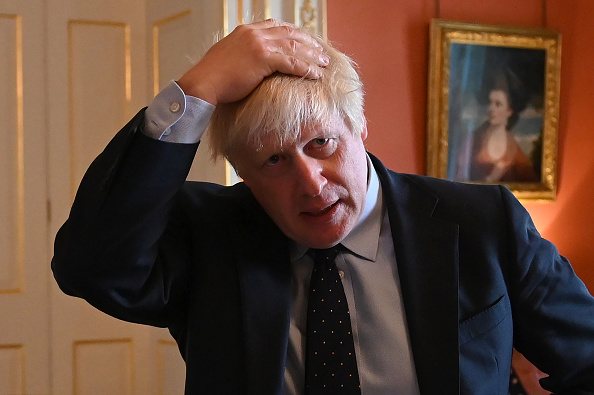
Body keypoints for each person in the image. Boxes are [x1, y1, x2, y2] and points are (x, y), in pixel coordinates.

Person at [52, 20, 594, 394]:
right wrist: (199, 87)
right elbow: (92, 269)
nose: (311, 185)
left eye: (322, 145)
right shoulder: (209, 234)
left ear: (360, 128)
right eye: (273, 162)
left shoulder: (481, 223)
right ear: (241, 172)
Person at [465, 73, 539, 183]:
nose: (491, 108)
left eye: (498, 104)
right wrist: (491, 178)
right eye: (490, 102)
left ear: (509, 111)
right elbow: (458, 179)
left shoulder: (514, 149)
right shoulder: (474, 139)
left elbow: (531, 182)